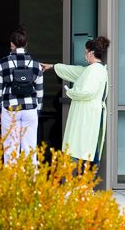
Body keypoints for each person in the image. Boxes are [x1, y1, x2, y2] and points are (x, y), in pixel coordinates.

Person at [40, 36, 110, 168]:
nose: (84, 55)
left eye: (85, 52)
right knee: (86, 145)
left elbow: (87, 91)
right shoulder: (92, 69)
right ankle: (86, 179)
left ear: (90, 53)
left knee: (86, 147)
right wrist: (53, 67)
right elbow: (73, 70)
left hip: (89, 114)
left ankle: (87, 180)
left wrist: (71, 92)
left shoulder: (95, 70)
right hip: (88, 113)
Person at [0, 25, 43, 162]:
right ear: (26, 44)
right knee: (30, 149)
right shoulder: (36, 64)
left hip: (10, 108)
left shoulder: (3, 63)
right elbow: (39, 91)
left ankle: (12, 182)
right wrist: (37, 109)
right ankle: (30, 181)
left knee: (10, 149)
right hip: (30, 108)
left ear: (11, 44)